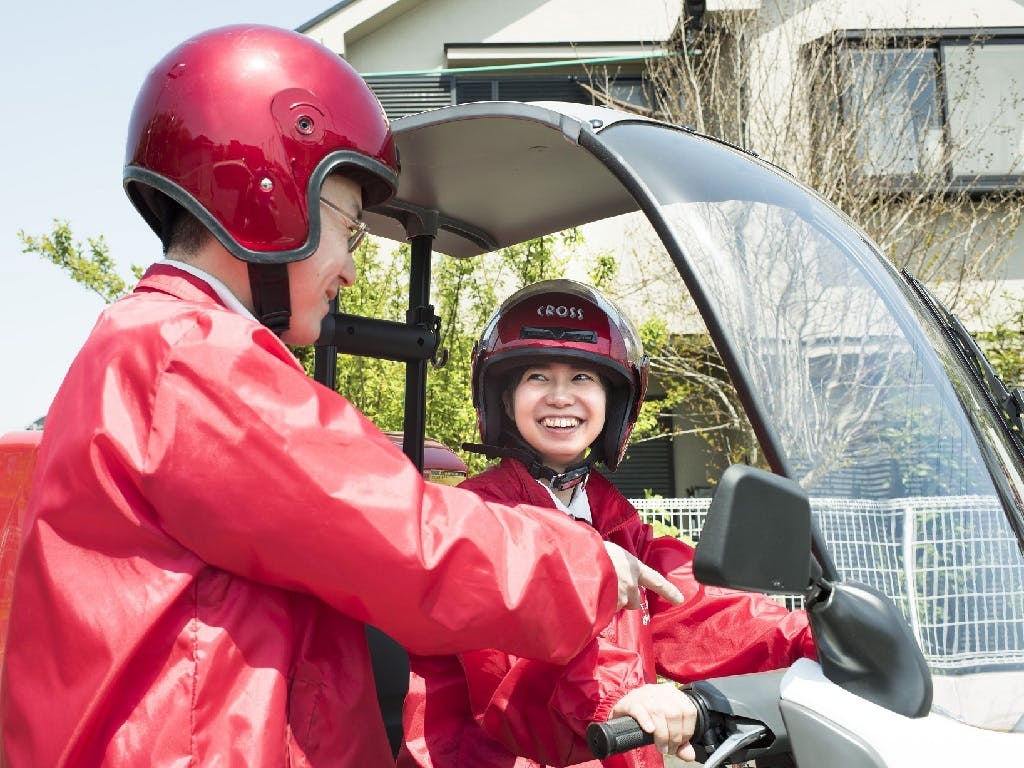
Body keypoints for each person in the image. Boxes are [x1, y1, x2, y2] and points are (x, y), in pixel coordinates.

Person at [0, 27, 683, 767]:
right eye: (350, 231)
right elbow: (403, 537)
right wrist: (588, 567)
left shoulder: (153, 345)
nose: (351, 271)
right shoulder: (189, 358)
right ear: (271, 195)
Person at [398, 279, 817, 767]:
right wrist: (615, 698)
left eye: (582, 378)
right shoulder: (480, 517)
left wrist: (810, 638)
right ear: (504, 397)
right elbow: (509, 668)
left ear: (614, 402)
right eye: (537, 376)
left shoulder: (609, 515)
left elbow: (691, 604)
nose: (560, 396)